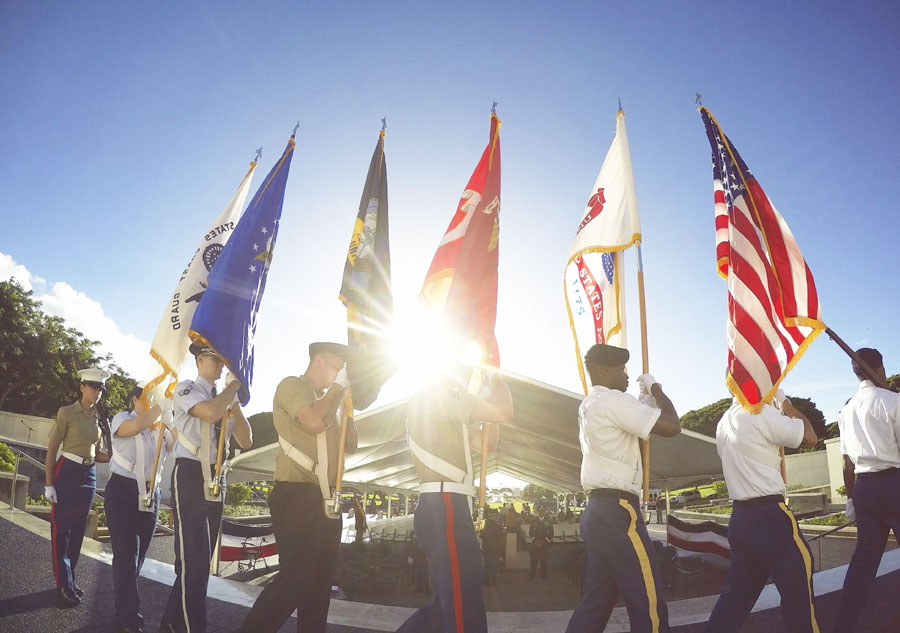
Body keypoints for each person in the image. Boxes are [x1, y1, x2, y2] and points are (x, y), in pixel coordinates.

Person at [233, 342, 356, 633]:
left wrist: (347, 406)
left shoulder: (331, 400)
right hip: (297, 494)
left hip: (326, 499)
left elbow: (350, 445)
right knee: (295, 579)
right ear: (319, 360)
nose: (340, 374)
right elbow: (313, 420)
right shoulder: (292, 386)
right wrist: (338, 391)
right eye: (338, 367)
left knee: (318, 587)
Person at [565, 343, 681, 633]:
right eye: (621, 368)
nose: (627, 374)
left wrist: (642, 404)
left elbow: (629, 429)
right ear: (605, 369)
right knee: (648, 600)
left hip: (598, 510)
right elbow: (672, 426)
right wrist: (656, 390)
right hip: (619, 511)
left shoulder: (589, 404)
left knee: (596, 603)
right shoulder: (614, 401)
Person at [396, 366, 513, 633]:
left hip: (449, 503)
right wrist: (496, 376)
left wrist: (487, 413)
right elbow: (504, 410)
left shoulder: (443, 404)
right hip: (444, 502)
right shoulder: (436, 396)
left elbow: (487, 443)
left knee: (452, 598)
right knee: (462, 600)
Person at [704, 390, 820, 633]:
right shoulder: (759, 412)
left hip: (741, 519)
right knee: (799, 592)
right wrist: (784, 402)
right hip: (771, 517)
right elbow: (810, 436)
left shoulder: (723, 421)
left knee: (734, 601)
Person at [160, 344, 252, 633]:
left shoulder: (224, 398)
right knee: (194, 564)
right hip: (190, 475)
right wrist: (231, 389)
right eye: (216, 358)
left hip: (216, 479)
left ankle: (169, 625)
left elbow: (247, 440)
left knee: (199, 565)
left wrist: (234, 398)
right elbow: (211, 414)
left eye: (224, 359)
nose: (222, 365)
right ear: (200, 359)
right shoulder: (186, 388)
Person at [832, 348, 900, 633]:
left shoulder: (845, 410)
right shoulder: (893, 401)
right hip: (894, 485)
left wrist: (850, 499)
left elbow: (847, 465)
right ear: (880, 368)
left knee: (863, 563)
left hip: (864, 490)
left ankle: (845, 624)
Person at [106, 384, 177, 633]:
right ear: (135, 399)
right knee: (126, 554)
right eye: (148, 399)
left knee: (138, 556)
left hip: (150, 494)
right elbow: (135, 427)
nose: (152, 404)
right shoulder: (123, 418)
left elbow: (177, 443)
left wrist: (171, 417)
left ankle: (122, 605)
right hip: (123, 492)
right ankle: (127, 615)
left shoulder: (159, 428)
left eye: (155, 400)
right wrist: (160, 408)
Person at [44, 367, 112, 606]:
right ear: (82, 387)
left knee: (77, 531)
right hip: (67, 472)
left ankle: (69, 579)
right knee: (62, 530)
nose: (97, 392)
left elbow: (99, 453)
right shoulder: (67, 412)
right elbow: (52, 448)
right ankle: (63, 583)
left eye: (100, 388)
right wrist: (49, 484)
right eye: (93, 387)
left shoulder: (99, 417)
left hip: (89, 474)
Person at [528, 504, 554, 580]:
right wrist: (535, 539)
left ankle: (544, 576)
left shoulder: (548, 521)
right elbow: (530, 532)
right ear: (538, 511)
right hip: (535, 543)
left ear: (545, 511)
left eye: (543, 511)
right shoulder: (534, 521)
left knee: (544, 560)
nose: (541, 512)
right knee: (534, 560)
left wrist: (546, 539)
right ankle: (532, 576)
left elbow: (551, 532)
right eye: (540, 511)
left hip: (544, 543)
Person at [480, 508, 504, 586]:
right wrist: (501, 552)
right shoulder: (497, 526)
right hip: (495, 549)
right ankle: (494, 581)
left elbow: (481, 535)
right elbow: (500, 540)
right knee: (494, 566)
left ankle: (486, 581)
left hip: (486, 548)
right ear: (494, 516)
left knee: (487, 565)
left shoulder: (483, 525)